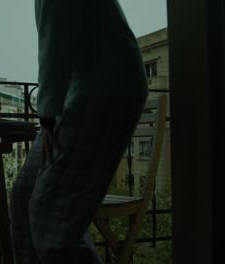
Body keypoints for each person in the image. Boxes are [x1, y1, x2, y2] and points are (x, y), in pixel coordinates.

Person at [10, 0, 148, 263]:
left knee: (53, 223)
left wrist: (48, 115)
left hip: (105, 88)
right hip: (78, 93)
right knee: (23, 195)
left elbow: (55, 44)